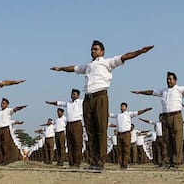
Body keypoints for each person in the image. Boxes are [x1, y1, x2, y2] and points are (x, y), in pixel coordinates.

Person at [50, 40, 154, 170]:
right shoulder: (87, 66)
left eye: (96, 49)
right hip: (88, 98)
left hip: (100, 97)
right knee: (90, 131)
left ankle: (100, 161)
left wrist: (140, 52)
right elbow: (74, 68)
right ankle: (92, 161)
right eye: (92, 49)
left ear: (102, 51)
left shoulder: (107, 62)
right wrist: (60, 68)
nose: (93, 51)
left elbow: (125, 56)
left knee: (100, 129)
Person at [131, 72, 184, 169]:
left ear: (175, 80)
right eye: (167, 79)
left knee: (177, 140)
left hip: (176, 116)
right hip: (165, 117)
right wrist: (140, 92)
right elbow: (151, 92)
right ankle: (167, 162)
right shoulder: (163, 91)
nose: (168, 81)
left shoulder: (180, 89)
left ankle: (176, 163)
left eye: (170, 79)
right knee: (166, 140)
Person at [46, 88, 84, 168]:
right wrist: (50, 103)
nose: (72, 95)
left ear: (78, 95)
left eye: (74, 94)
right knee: (70, 144)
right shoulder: (68, 103)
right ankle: (71, 163)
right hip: (69, 125)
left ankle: (77, 163)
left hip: (77, 123)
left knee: (77, 144)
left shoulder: (81, 102)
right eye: (71, 94)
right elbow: (58, 103)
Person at [108, 102, 152, 169]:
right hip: (119, 134)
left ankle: (125, 165)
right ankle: (121, 164)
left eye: (123, 106)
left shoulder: (129, 114)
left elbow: (138, 112)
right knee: (119, 150)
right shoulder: (117, 115)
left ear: (126, 107)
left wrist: (145, 110)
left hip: (126, 134)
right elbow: (109, 114)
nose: (122, 107)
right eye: (121, 106)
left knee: (126, 149)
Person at [0, 98, 27, 166]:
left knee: (5, 145)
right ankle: (1, 160)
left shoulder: (9, 110)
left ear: (7, 105)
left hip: (6, 129)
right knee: (0, 145)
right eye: (2, 103)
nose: (2, 104)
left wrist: (21, 107)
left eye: (4, 103)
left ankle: (6, 160)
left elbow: (15, 109)